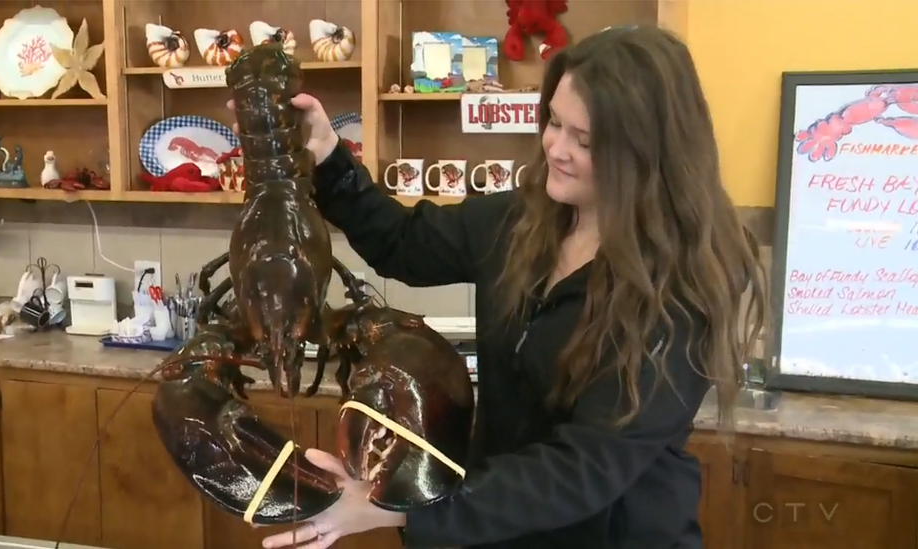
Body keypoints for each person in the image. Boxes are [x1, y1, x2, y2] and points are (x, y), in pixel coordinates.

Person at [231, 25, 768, 549]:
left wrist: (396, 511)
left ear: (650, 154)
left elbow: (581, 470)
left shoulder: (680, 288)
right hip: (498, 526)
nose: (555, 148)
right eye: (554, 122)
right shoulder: (525, 220)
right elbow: (400, 242)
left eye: (584, 139)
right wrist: (326, 155)